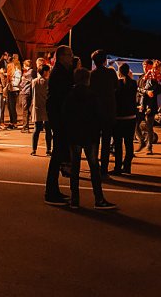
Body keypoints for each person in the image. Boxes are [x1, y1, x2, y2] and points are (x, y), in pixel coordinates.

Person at [61, 66, 117, 209]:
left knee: (75, 167)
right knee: (94, 167)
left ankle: (75, 199)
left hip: (74, 135)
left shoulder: (70, 95)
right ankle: (99, 199)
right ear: (87, 79)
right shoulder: (92, 95)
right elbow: (98, 115)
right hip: (89, 135)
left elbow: (65, 115)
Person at [43, 45, 75, 206]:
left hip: (58, 116)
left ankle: (53, 190)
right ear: (62, 56)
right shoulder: (59, 73)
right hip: (59, 117)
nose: (72, 57)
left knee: (58, 153)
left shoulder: (61, 72)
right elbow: (63, 96)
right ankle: (51, 192)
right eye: (69, 55)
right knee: (57, 154)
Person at [88, 50, 118, 174]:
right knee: (106, 142)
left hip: (95, 112)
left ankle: (94, 167)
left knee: (94, 141)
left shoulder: (91, 75)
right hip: (109, 110)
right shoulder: (111, 73)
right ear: (105, 60)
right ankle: (104, 168)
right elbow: (117, 87)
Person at [112, 63, 138, 174]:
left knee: (118, 144)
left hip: (119, 117)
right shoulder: (133, 83)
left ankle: (118, 167)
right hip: (131, 117)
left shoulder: (117, 84)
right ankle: (127, 166)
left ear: (119, 72)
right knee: (129, 143)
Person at [136, 61, 161, 154]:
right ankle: (142, 141)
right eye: (143, 65)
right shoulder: (142, 77)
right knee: (136, 124)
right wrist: (145, 92)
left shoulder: (157, 77)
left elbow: (158, 90)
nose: (145, 67)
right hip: (140, 104)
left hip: (150, 104)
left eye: (147, 65)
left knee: (149, 126)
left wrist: (150, 92)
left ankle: (149, 147)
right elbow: (138, 88)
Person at [31, 63, 51, 156]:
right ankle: (48, 149)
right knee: (48, 130)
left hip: (37, 107)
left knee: (37, 129)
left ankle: (34, 149)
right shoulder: (49, 82)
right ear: (45, 72)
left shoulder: (34, 81)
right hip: (47, 107)